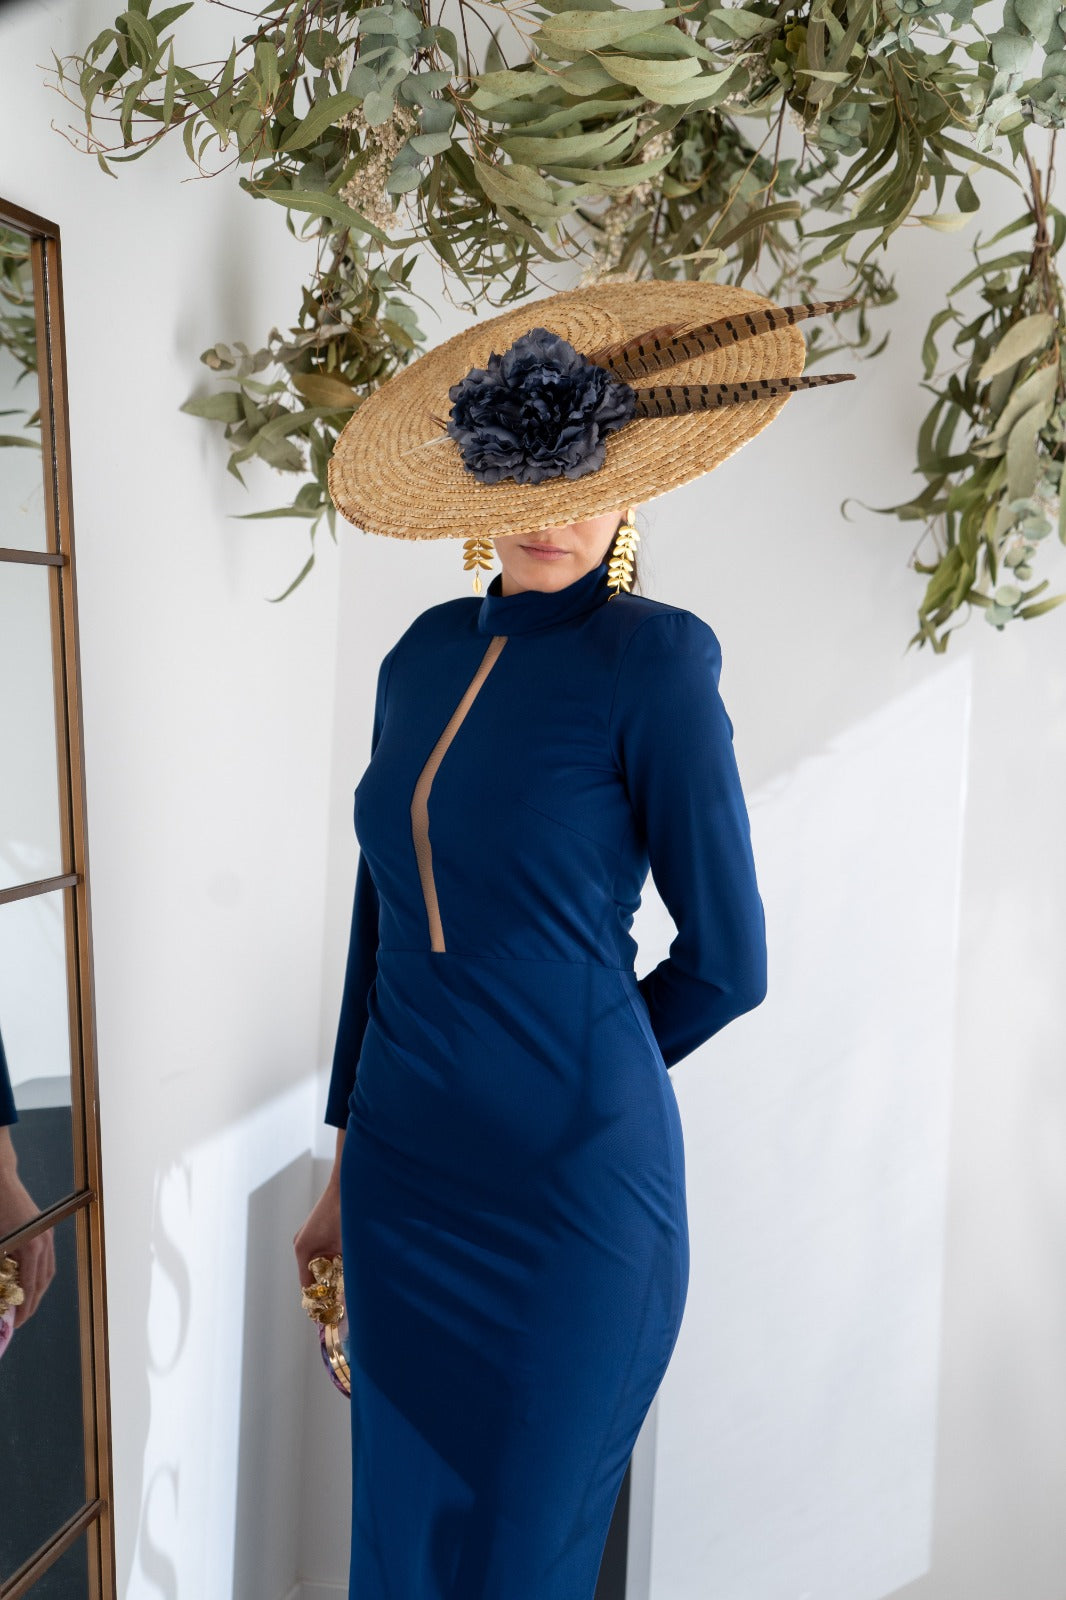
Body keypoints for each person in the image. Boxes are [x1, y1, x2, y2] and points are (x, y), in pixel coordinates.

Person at [294, 280, 856, 1598]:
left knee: (518, 1559)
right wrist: (343, 1159)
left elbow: (728, 963)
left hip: (568, 1198)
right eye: (525, 477)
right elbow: (381, 922)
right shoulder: (420, 656)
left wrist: (560, 1059)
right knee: (400, 1549)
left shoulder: (653, 661)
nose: (553, 513)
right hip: (398, 1181)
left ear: (631, 488)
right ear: (479, 486)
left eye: (585, 480)